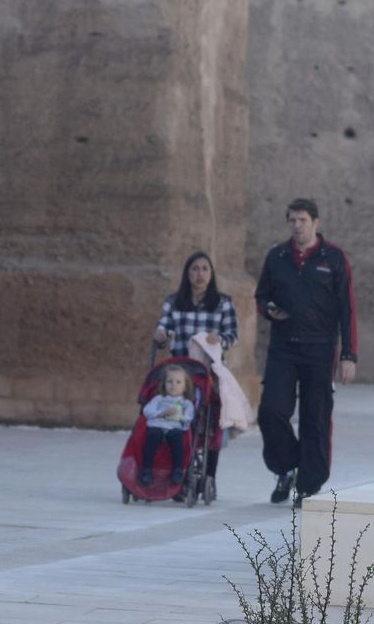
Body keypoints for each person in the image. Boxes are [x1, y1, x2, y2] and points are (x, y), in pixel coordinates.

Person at [254, 198, 358, 505]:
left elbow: (347, 309)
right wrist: (269, 309)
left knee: (316, 418)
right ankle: (286, 467)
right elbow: (262, 295)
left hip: (320, 349)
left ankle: (307, 485)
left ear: (316, 222)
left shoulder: (334, 258)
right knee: (271, 411)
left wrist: (349, 355)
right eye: (292, 220)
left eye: (302, 220)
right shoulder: (278, 256)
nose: (297, 226)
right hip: (284, 348)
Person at [153, 251, 239, 483]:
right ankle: (176, 468)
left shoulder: (223, 302)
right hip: (180, 372)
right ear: (187, 273)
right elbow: (163, 328)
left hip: (208, 371)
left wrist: (219, 338)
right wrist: (161, 336)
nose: (199, 274)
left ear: (211, 274)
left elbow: (232, 335)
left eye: (204, 269)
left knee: (211, 421)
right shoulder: (174, 302)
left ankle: (209, 474)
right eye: (194, 269)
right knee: (177, 417)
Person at [139, 364, 195, 485]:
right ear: (164, 384)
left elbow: (189, 417)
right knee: (152, 435)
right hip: (157, 425)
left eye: (178, 382)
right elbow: (147, 410)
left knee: (177, 437)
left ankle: (178, 470)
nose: (173, 384)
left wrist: (179, 416)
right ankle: (147, 470)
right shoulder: (159, 399)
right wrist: (161, 413)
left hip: (175, 427)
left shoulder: (186, 403)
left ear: (185, 387)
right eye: (170, 381)